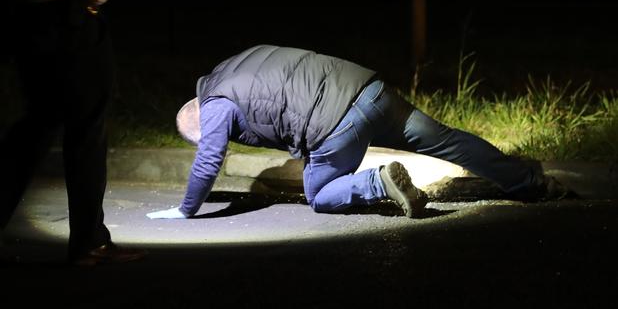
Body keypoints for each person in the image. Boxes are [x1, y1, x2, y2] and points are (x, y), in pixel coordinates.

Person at [146, 44, 568, 220]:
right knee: (446, 139)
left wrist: (185, 210)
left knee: (319, 196)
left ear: (200, 121)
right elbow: (291, 93)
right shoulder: (233, 65)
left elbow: (208, 161)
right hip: (371, 89)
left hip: (338, 123)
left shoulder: (215, 106)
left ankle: (377, 180)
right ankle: (533, 183)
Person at [0, 0, 147, 266]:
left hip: (22, 11)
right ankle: (89, 241)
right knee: (87, 128)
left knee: (42, 116)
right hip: (67, 14)